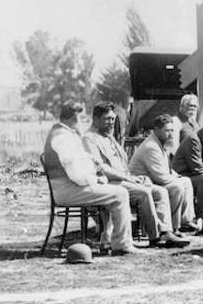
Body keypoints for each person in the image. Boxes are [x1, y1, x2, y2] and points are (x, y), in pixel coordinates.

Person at [83, 102, 188, 248]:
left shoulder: (109, 137)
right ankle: (156, 236)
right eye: (107, 119)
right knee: (143, 193)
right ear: (95, 118)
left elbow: (122, 163)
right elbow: (100, 168)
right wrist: (127, 177)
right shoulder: (89, 138)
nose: (111, 123)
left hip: (124, 180)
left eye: (113, 119)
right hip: (108, 183)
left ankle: (165, 231)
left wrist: (136, 177)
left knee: (160, 191)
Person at [43, 101, 136, 255]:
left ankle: (107, 242)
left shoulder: (67, 134)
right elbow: (77, 175)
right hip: (67, 190)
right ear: (75, 119)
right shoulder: (62, 137)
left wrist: (95, 167)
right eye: (83, 118)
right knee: (120, 193)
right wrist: (97, 179)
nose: (85, 122)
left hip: (71, 186)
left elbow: (83, 161)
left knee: (112, 191)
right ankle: (122, 245)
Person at [128, 115, 199, 237]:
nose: (171, 134)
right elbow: (160, 176)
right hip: (143, 183)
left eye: (172, 130)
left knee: (186, 181)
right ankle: (171, 228)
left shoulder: (161, 144)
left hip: (153, 181)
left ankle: (184, 222)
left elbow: (168, 171)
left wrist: (178, 177)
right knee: (177, 186)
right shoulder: (151, 146)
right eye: (167, 131)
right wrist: (177, 179)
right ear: (156, 130)